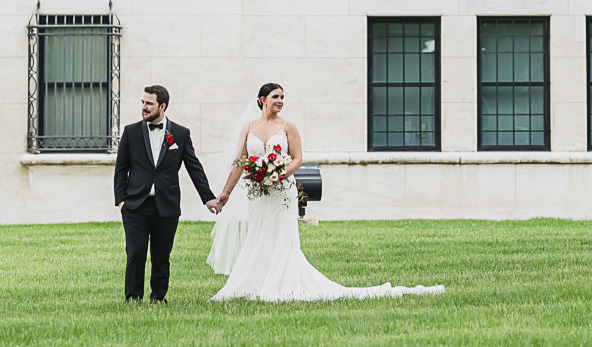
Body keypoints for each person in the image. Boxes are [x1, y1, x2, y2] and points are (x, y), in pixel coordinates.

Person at [208, 83, 444, 303]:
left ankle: (282, 283)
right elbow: (239, 163)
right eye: (275, 97)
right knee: (259, 234)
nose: (280, 101)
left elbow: (298, 159)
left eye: (282, 97)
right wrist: (226, 192)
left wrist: (277, 175)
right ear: (262, 100)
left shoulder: (287, 126)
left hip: (282, 192)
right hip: (259, 196)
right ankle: (256, 281)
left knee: (283, 236)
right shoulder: (249, 128)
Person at [114, 85, 221, 302]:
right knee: (135, 253)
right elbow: (120, 168)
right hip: (135, 205)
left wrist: (207, 197)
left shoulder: (180, 134)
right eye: (142, 102)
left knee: (161, 255)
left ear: (162, 106)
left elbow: (194, 167)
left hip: (167, 205)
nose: (143, 107)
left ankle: (158, 297)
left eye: (149, 103)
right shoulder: (131, 131)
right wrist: (121, 200)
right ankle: (133, 297)